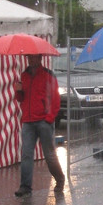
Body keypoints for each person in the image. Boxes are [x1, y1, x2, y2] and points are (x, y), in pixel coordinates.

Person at [13, 54, 65, 197]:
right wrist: (18, 91)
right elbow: (21, 98)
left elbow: (56, 99)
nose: (31, 60)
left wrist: (49, 118)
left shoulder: (48, 75)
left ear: (40, 58)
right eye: (29, 58)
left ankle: (60, 178)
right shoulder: (24, 75)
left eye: (33, 58)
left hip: (43, 120)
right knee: (26, 154)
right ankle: (25, 186)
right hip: (28, 121)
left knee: (49, 155)